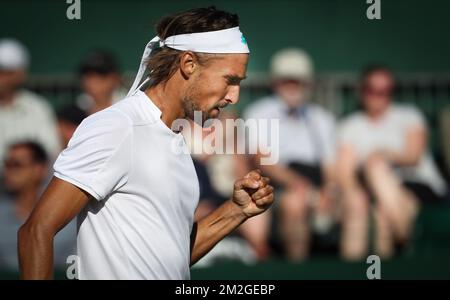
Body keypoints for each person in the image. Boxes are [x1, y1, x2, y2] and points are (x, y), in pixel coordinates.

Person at [18, 7, 274, 280]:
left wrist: (236, 211)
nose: (234, 96)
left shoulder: (175, 140)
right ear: (189, 64)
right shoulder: (117, 127)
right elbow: (36, 231)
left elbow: (171, 259)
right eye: (230, 80)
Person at [337, 65, 447, 260]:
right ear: (362, 91)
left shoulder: (408, 115)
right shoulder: (350, 126)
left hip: (418, 185)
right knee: (379, 213)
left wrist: (383, 155)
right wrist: (357, 196)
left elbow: (413, 156)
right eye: (373, 90)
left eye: (385, 91)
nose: (378, 96)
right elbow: (345, 174)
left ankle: (404, 234)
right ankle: (401, 241)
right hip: (377, 195)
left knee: (376, 167)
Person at [244, 48, 337, 261]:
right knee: (295, 202)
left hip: (318, 185)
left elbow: (331, 166)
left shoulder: (322, 118)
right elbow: (263, 161)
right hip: (282, 186)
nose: (293, 87)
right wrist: (301, 186)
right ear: (276, 83)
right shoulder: (259, 113)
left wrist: (329, 192)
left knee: (356, 203)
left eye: (299, 81)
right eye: (288, 81)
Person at [0, 142, 76, 271]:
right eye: (7, 164)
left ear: (39, 169)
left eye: (16, 164)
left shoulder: (67, 217)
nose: (8, 170)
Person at [0, 39, 60, 168]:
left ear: (21, 74)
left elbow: (51, 152)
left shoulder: (37, 107)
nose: (2, 78)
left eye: (8, 72)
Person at [76, 50, 126, 116]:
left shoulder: (128, 105)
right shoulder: (76, 109)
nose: (92, 82)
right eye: (88, 75)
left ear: (115, 78)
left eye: (101, 75)